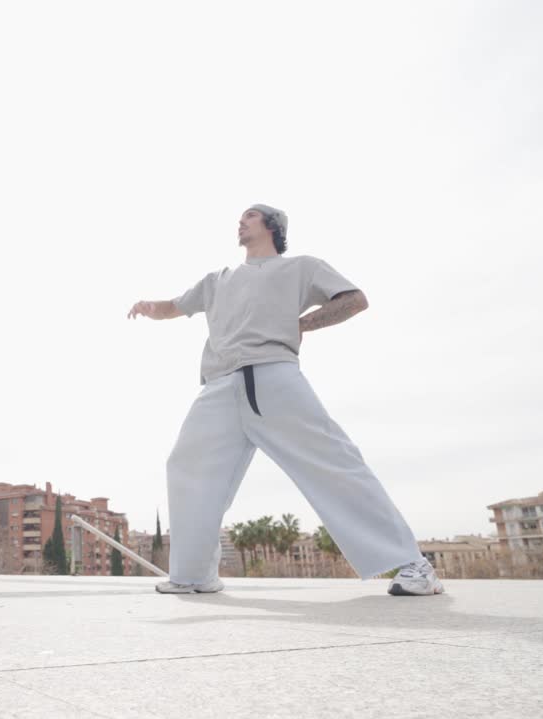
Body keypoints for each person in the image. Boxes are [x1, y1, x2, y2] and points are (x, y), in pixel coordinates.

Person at [128, 203, 443, 596]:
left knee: (331, 463)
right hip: (218, 385)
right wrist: (149, 308)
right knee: (186, 466)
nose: (240, 222)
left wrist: (300, 324)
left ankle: (414, 564)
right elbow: (174, 307)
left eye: (250, 216)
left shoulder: (301, 268)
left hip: (274, 376)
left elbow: (354, 299)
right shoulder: (217, 280)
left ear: (272, 225)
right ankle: (194, 575)